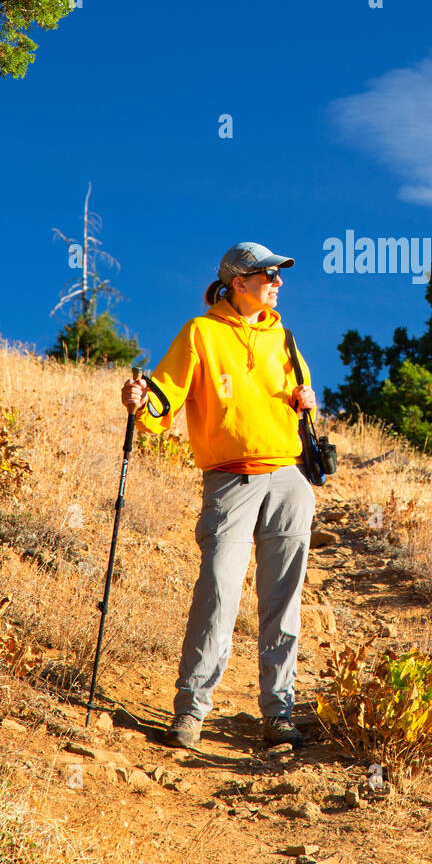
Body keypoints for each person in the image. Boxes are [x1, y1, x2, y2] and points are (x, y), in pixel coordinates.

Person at [120, 241, 317, 751]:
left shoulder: (286, 340)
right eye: (268, 274)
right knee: (218, 596)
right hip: (230, 482)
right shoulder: (200, 333)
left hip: (289, 480)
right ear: (239, 282)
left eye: (278, 274)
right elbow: (163, 398)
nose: (278, 281)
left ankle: (279, 714)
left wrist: (307, 404)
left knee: (283, 603)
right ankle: (190, 713)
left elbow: (301, 405)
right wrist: (140, 402)